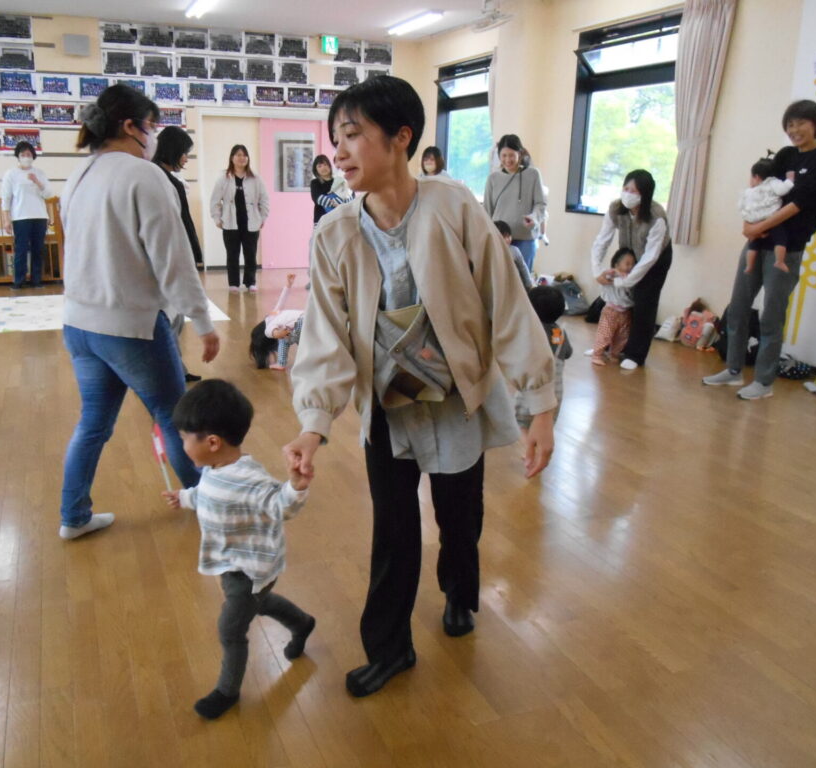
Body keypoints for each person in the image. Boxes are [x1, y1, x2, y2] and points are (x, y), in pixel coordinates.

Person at [284, 75, 557, 698]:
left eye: (352, 135)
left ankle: (460, 593)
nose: (339, 152)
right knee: (393, 531)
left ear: (401, 137)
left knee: (461, 517)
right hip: (389, 410)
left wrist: (539, 404)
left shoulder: (454, 208)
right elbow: (324, 336)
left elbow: (507, 304)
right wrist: (313, 425)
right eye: (335, 139)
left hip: (456, 400)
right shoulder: (335, 234)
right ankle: (390, 648)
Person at [58, 84, 219, 540]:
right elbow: (174, 260)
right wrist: (202, 321)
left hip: (80, 324)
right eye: (150, 126)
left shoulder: (78, 176)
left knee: (93, 423)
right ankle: (210, 507)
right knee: (174, 417)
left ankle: (73, 516)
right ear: (130, 126)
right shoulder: (143, 176)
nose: (153, 136)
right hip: (130, 325)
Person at [161, 379, 315, 720]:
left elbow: (280, 505)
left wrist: (295, 487)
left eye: (185, 438)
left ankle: (227, 691)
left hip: (251, 568)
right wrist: (184, 497)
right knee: (259, 604)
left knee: (231, 630)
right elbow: (208, 494)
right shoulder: (214, 468)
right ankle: (303, 623)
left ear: (212, 442)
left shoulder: (247, 478)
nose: (182, 444)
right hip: (232, 563)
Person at [704, 99, 816, 400]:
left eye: (800, 123)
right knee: (738, 308)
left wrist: (758, 226)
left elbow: (799, 203)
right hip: (757, 241)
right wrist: (748, 223)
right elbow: (758, 188)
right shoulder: (786, 155)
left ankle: (764, 382)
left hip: (787, 248)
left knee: (771, 316)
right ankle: (733, 369)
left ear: (815, 124)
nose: (794, 130)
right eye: (790, 124)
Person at [588, 169, 673, 370]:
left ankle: (636, 354)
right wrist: (597, 271)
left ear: (645, 194)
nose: (627, 194)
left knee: (644, 303)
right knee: (620, 303)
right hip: (629, 255)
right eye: (625, 188)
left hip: (655, 260)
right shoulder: (616, 208)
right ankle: (610, 346)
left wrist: (625, 281)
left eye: (633, 191)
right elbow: (602, 240)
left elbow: (650, 257)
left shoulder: (656, 217)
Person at [154, 125, 205, 383]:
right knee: (172, 316)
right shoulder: (161, 179)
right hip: (167, 258)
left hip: (169, 257)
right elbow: (179, 223)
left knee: (175, 317)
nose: (186, 158)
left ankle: (176, 368)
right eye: (184, 152)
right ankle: (171, 371)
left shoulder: (165, 178)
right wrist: (191, 254)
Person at [210, 144, 270, 292]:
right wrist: (217, 219)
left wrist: (262, 217)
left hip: (251, 222)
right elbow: (215, 201)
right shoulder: (223, 178)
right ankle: (233, 283)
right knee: (232, 254)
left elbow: (264, 200)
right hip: (230, 222)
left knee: (251, 254)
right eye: (238, 155)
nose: (242, 158)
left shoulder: (256, 178)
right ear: (232, 158)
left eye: (244, 155)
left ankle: (250, 282)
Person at [483, 134, 546, 272]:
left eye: (511, 155)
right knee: (500, 278)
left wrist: (534, 218)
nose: (507, 160)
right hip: (500, 238)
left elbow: (541, 204)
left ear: (520, 153)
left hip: (525, 237)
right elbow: (487, 211)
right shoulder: (493, 178)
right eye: (504, 155)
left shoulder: (533, 174)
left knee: (523, 280)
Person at [1, 141, 53, 288]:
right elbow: (6, 198)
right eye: (23, 154)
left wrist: (37, 181)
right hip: (20, 217)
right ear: (18, 156)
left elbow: (49, 194)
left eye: (28, 154)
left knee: (38, 249)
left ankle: (37, 280)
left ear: (33, 156)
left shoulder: (39, 173)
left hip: (40, 216)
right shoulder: (11, 174)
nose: (26, 157)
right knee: (21, 250)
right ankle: (19, 281)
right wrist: (6, 220)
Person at [739, 157, 794, 275]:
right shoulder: (774, 183)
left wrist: (750, 221)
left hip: (754, 221)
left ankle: (749, 266)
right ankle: (779, 261)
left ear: (756, 176)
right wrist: (790, 180)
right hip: (771, 219)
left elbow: (743, 207)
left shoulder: (749, 191)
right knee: (781, 240)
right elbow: (783, 190)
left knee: (753, 244)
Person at [526, 285, 572, 421]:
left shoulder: (530, 331)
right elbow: (568, 353)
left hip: (533, 390)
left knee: (522, 424)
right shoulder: (560, 333)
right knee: (547, 425)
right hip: (555, 392)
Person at [587, 247, 636, 366]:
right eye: (627, 263)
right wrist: (615, 272)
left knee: (622, 337)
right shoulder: (612, 275)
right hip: (611, 311)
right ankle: (597, 355)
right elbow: (606, 276)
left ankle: (614, 354)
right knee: (605, 334)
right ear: (617, 264)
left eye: (633, 264)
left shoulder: (632, 278)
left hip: (625, 313)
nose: (630, 267)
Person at [249, 273, 303, 370]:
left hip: (300, 323)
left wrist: (281, 334)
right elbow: (281, 301)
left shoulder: (268, 329)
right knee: (300, 342)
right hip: (305, 316)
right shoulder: (272, 317)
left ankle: (281, 364)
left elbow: (276, 334)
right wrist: (288, 285)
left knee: (284, 340)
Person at [493, 219, 533, 294]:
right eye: (504, 237)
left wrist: (529, 283)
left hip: (513, 284)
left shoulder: (514, 250)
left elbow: (523, 267)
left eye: (509, 236)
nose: (508, 239)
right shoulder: (491, 250)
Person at [310, 154, 350, 224]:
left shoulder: (339, 180)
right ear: (315, 169)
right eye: (319, 166)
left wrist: (341, 204)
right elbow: (317, 198)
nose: (323, 168)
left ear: (329, 166)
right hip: (322, 220)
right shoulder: (315, 182)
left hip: (340, 219)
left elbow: (349, 196)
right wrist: (335, 203)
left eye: (325, 165)